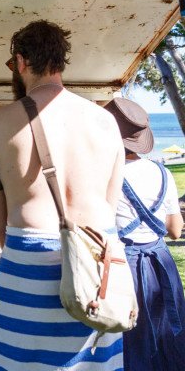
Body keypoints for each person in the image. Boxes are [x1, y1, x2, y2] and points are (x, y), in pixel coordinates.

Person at [0, 20, 125, 369]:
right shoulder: (106, 122)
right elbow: (110, 206)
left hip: (28, 265)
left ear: (20, 62)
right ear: (61, 62)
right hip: (97, 272)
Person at [104, 97, 185, 370]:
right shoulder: (161, 172)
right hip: (160, 265)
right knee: (165, 341)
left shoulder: (105, 174)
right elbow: (174, 230)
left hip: (122, 266)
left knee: (128, 342)